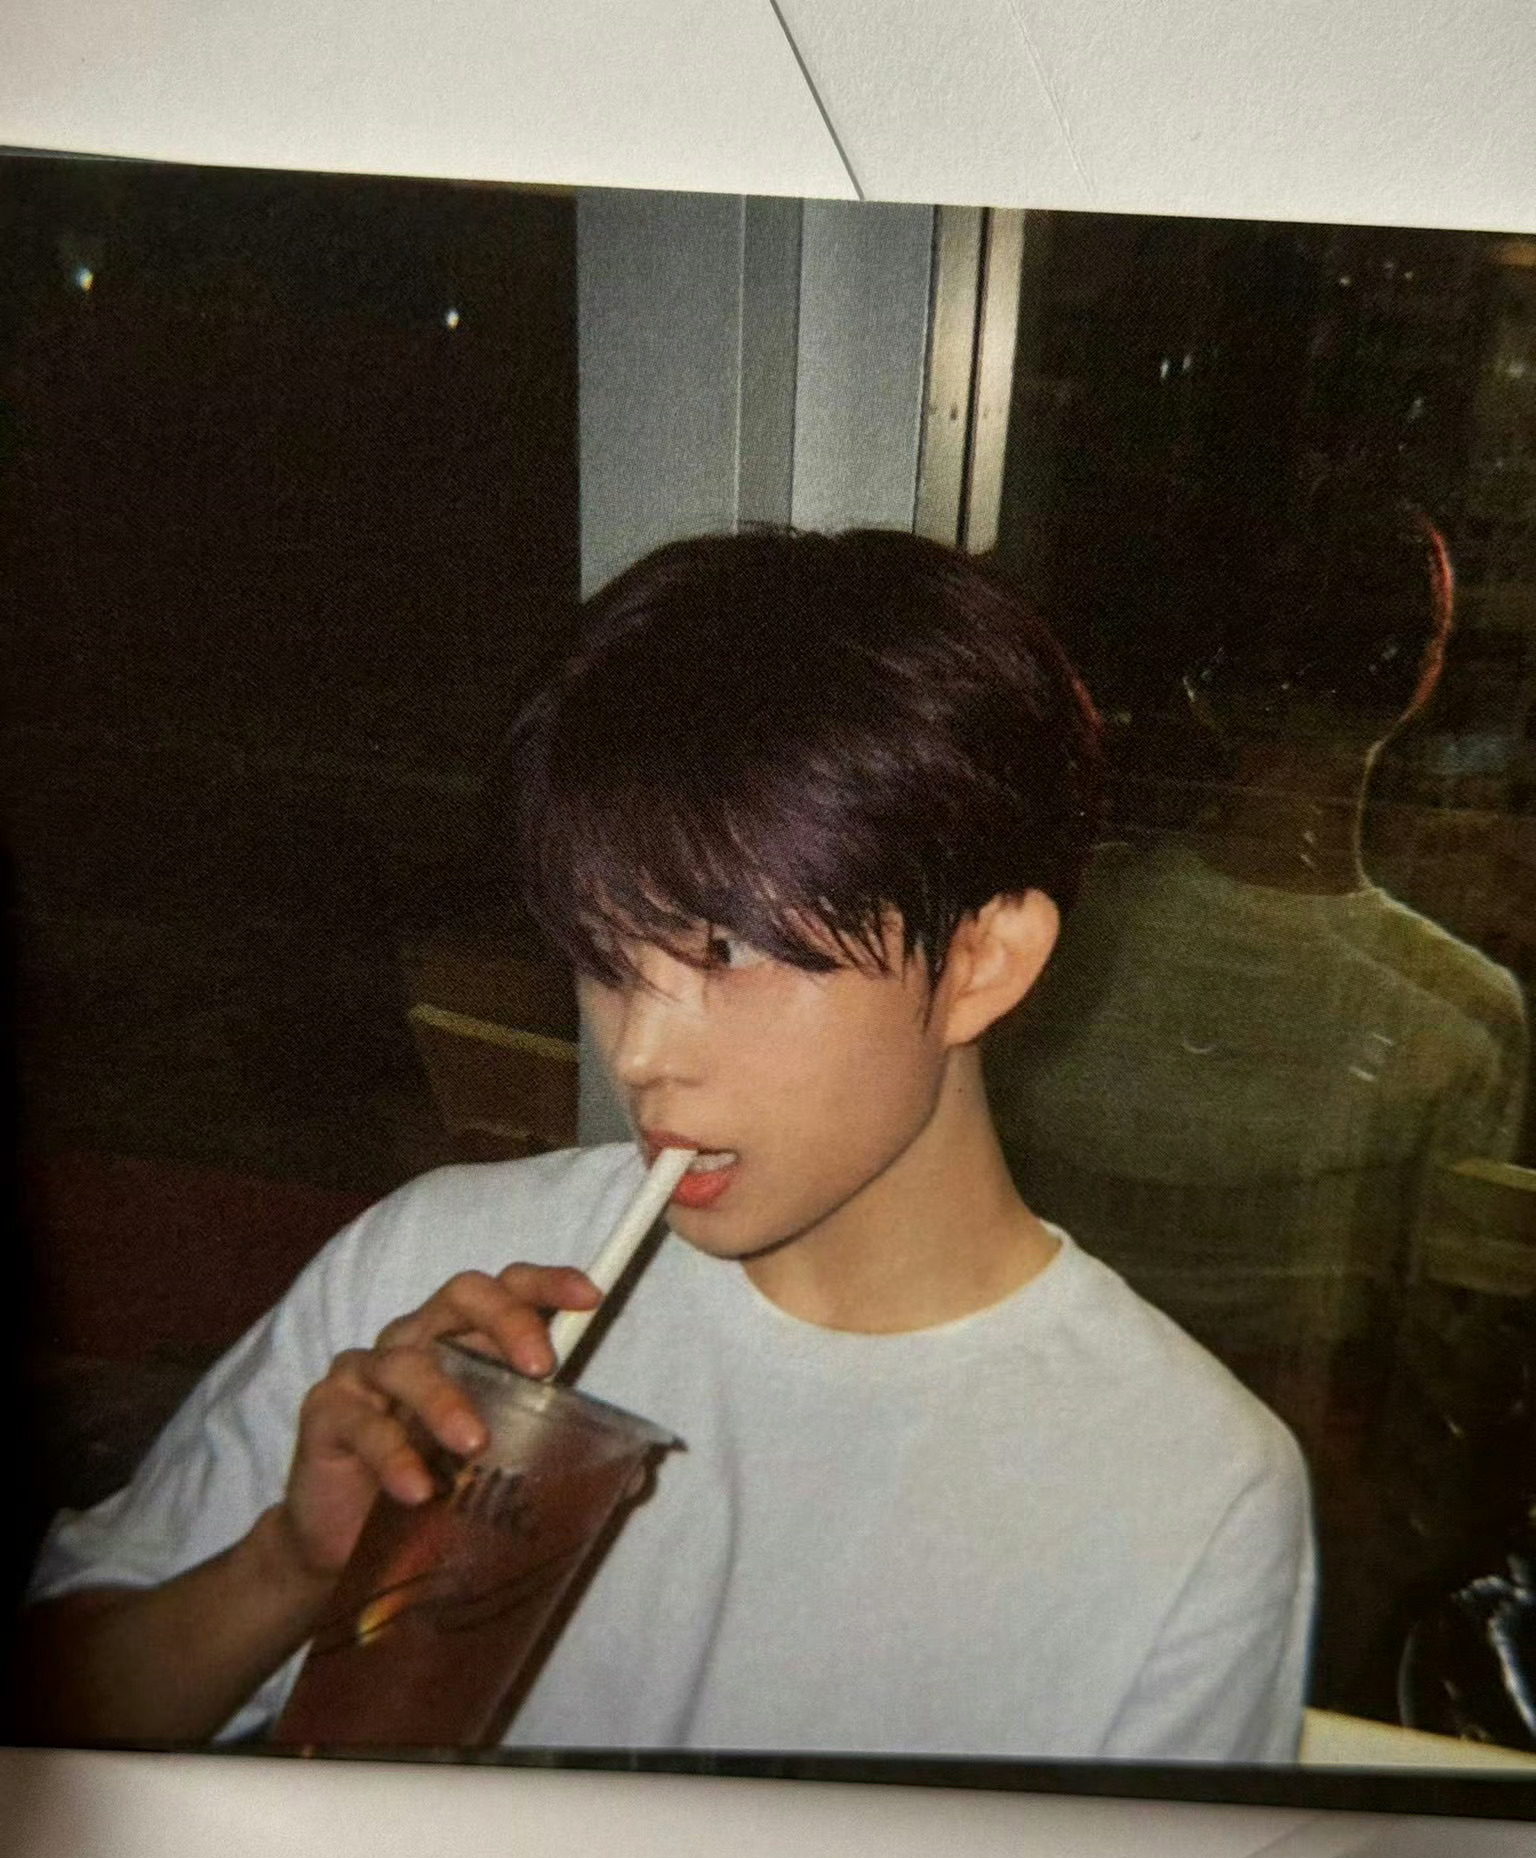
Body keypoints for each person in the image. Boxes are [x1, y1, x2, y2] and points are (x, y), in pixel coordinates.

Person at [14, 528, 1314, 1763]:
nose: (637, 1052)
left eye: (723, 953)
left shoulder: (1187, 1491)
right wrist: (288, 1566)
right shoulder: (449, 1277)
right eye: (603, 958)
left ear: (981, 961)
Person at [985, 483, 1527, 1711]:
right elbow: (1440, 1383)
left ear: (1204, 682)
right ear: (1421, 682)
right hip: (1288, 1509)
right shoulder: (1462, 1015)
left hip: (1034, 1453)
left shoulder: (1045, 941)